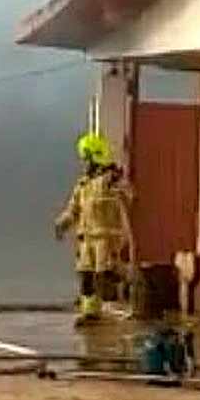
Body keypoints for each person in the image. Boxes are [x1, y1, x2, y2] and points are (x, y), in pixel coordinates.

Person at [54, 133, 137, 325]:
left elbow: (130, 196)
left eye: (87, 158)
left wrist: (121, 188)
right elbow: (73, 210)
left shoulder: (112, 178)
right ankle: (91, 313)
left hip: (105, 238)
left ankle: (130, 286)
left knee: (105, 276)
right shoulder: (83, 184)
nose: (85, 163)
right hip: (87, 239)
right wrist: (61, 224)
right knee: (87, 277)